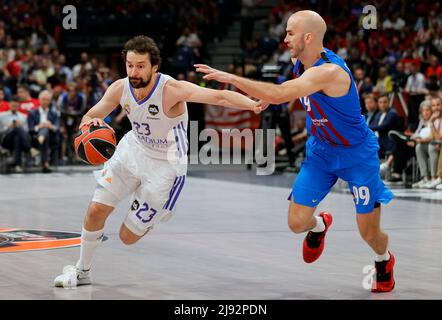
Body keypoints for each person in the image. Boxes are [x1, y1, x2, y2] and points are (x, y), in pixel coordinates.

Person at [196, 10, 396, 292]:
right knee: (296, 222)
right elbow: (282, 90)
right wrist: (269, 95)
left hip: (357, 154)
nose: (285, 38)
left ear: (309, 37)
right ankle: (319, 226)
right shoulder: (299, 60)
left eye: (290, 33)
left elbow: (279, 94)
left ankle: (383, 260)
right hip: (321, 152)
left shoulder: (330, 72)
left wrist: (234, 78)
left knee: (369, 232)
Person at [54, 35, 261, 288]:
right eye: (130, 65)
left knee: (127, 237)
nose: (134, 71)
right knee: (96, 209)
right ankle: (82, 271)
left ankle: (154, 208)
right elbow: (91, 114)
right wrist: (90, 126)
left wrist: (254, 105)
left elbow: (220, 98)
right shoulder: (120, 88)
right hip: (133, 151)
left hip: (166, 167)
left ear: (154, 67)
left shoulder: (172, 89)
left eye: (140, 65)